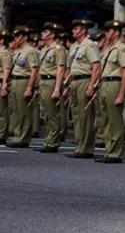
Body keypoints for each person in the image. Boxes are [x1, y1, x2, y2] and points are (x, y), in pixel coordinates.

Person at [95, 20, 125, 163]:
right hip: (105, 84)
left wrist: (121, 94)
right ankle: (109, 150)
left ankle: (116, 153)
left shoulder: (121, 48)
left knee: (115, 120)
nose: (106, 33)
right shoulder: (109, 48)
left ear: (116, 32)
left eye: (109, 31)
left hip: (114, 84)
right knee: (106, 119)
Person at [65, 19, 102, 159]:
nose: (73, 31)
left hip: (85, 80)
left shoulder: (90, 45)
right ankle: (80, 145)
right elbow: (71, 68)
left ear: (83, 30)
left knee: (85, 116)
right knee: (76, 116)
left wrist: (91, 86)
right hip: (75, 81)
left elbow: (96, 67)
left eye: (76, 29)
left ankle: (86, 148)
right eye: (73, 29)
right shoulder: (74, 46)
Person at [35, 22, 68, 153]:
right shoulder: (44, 49)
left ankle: (53, 142)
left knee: (53, 114)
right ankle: (49, 139)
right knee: (47, 114)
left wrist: (57, 88)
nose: (42, 34)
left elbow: (61, 69)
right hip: (43, 82)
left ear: (52, 34)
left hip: (51, 82)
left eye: (45, 32)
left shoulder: (58, 49)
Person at [6, 26, 40, 148]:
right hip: (15, 81)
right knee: (15, 110)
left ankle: (24, 138)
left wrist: (29, 87)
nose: (16, 39)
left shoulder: (30, 51)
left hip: (24, 81)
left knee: (24, 111)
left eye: (18, 36)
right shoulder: (17, 51)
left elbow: (34, 70)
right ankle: (17, 135)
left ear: (25, 37)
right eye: (15, 36)